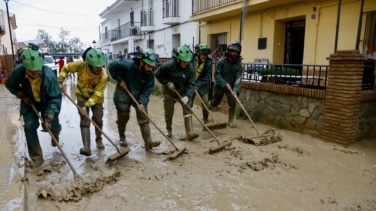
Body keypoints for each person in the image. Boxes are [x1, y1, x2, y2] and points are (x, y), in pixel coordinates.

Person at [5, 46, 62, 167]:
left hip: (47, 101)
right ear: (25, 67)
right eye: (31, 71)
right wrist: (20, 93)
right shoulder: (18, 72)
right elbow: (9, 84)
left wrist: (49, 114)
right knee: (29, 127)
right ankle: (37, 159)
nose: (35, 73)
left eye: (37, 70)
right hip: (29, 102)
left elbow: (55, 98)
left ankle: (55, 133)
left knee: (53, 125)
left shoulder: (49, 76)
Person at [108, 48, 161, 150]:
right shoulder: (128, 66)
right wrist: (120, 79)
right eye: (149, 66)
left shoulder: (150, 75)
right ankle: (122, 137)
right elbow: (111, 66)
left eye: (152, 66)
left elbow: (147, 90)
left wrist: (142, 102)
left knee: (143, 116)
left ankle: (148, 142)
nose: (150, 69)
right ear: (141, 62)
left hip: (139, 94)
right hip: (124, 91)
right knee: (123, 116)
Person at [58, 47, 107, 156]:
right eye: (97, 67)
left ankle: (99, 139)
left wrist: (87, 105)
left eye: (101, 66)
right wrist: (60, 81)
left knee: (98, 119)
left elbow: (97, 94)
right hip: (81, 97)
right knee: (85, 119)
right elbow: (66, 68)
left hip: (96, 99)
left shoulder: (103, 76)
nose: (100, 68)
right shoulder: (80, 65)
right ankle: (86, 147)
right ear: (89, 64)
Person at [155, 45, 199, 141]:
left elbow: (192, 84)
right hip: (170, 90)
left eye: (187, 61)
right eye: (184, 62)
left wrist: (188, 96)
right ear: (178, 59)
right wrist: (167, 83)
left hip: (184, 90)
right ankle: (169, 130)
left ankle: (189, 132)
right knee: (169, 111)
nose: (186, 64)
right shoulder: (168, 66)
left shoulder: (190, 68)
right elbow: (157, 74)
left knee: (187, 109)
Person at [210, 41, 243, 128]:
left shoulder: (239, 65)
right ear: (229, 52)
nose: (234, 53)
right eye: (233, 51)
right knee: (214, 103)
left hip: (231, 87)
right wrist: (224, 83)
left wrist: (235, 89)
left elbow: (238, 78)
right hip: (220, 85)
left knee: (233, 102)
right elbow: (217, 75)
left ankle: (230, 121)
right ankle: (207, 110)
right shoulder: (221, 61)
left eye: (236, 52)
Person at [191, 43, 212, 124]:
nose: (204, 56)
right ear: (198, 53)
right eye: (203, 54)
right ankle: (188, 121)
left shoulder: (208, 62)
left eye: (206, 55)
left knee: (206, 102)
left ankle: (205, 120)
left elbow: (207, 77)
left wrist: (197, 85)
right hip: (191, 84)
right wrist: (192, 84)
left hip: (202, 85)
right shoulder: (191, 59)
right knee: (189, 103)